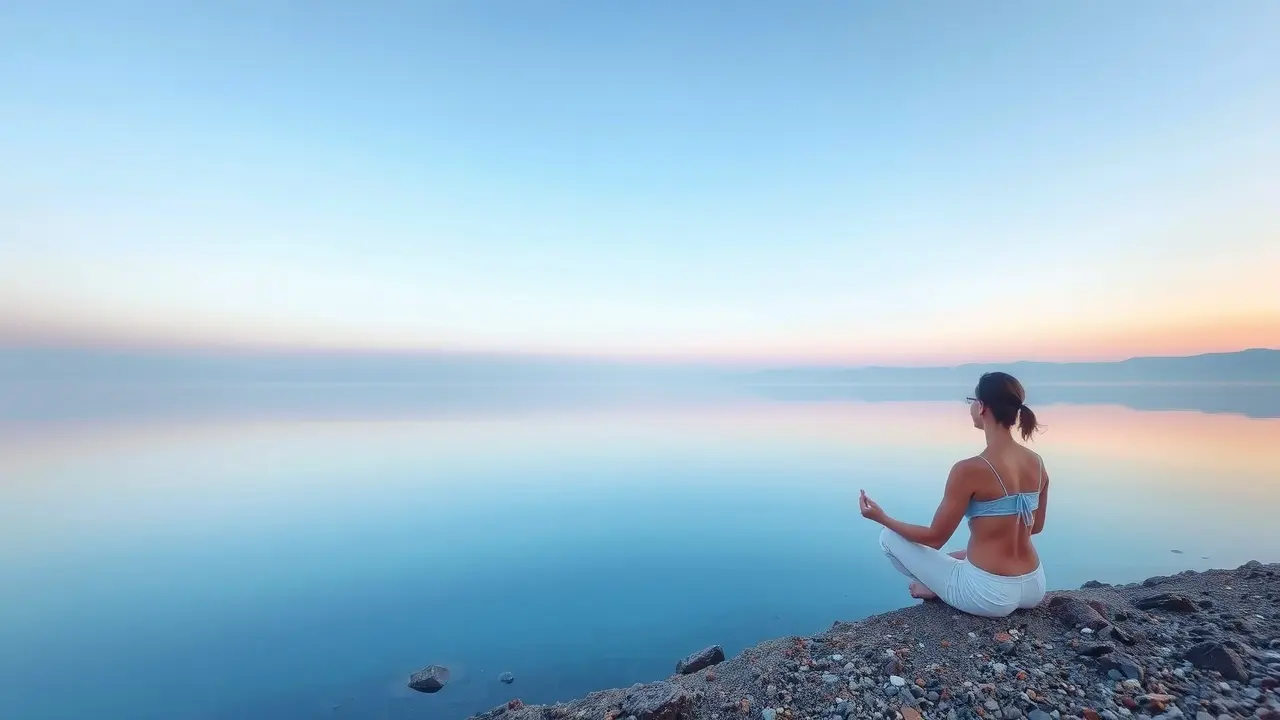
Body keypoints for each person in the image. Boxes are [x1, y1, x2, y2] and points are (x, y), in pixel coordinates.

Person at [858, 371, 1048, 618]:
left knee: (888, 537)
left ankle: (935, 588)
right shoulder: (1037, 462)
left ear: (982, 407)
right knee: (953, 556)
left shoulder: (969, 469)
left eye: (972, 401)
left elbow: (934, 538)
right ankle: (941, 582)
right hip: (1034, 586)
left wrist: (881, 517)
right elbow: (1035, 527)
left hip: (988, 594)